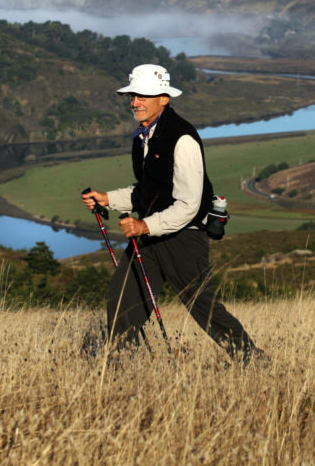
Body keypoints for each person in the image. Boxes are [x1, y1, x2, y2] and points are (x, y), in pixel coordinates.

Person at [81, 64, 263, 363]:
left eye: (143, 95)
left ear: (164, 98)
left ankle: (253, 361)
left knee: (204, 308)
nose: (134, 102)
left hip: (183, 238)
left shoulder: (183, 138)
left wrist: (143, 226)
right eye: (133, 95)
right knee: (123, 297)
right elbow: (146, 190)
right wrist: (107, 199)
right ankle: (118, 364)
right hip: (151, 235)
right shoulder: (144, 137)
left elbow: (188, 205)